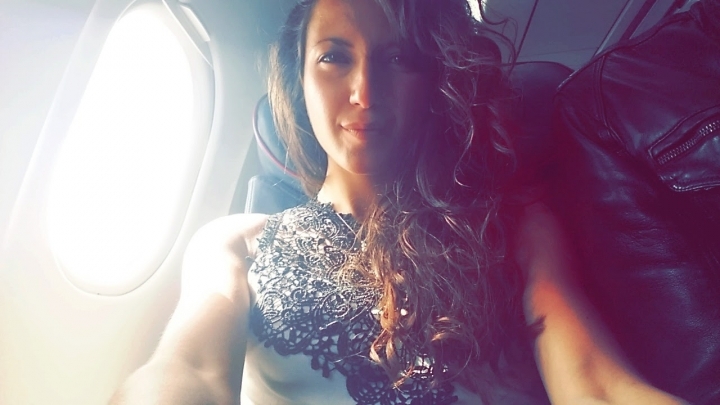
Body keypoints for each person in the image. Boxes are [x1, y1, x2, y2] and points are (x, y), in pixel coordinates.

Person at [110, 0, 689, 404]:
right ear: (299, 80)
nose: (365, 91)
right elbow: (188, 369)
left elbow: (592, 383)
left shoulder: (511, 230)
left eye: (397, 59)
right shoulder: (235, 244)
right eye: (334, 57)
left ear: (432, 81)